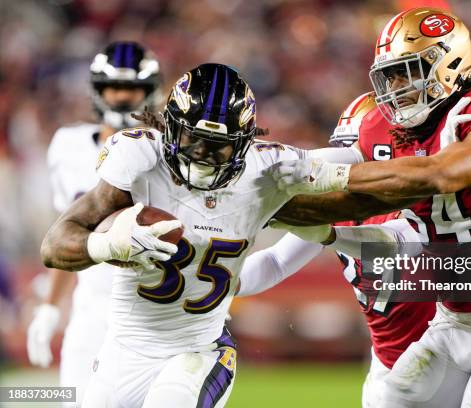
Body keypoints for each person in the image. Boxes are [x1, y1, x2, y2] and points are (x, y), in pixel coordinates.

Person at [270, 7, 471, 407]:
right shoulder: (389, 133)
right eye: (389, 76)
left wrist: (326, 178)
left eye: (406, 72)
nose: (395, 87)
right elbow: (349, 193)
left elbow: (441, 174)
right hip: (451, 323)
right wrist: (260, 200)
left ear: (448, 64)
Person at [39, 62, 363, 408]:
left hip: (197, 352)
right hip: (123, 350)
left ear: (242, 145)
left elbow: (357, 164)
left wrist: (336, 224)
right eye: (193, 139)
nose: (202, 155)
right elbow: (54, 246)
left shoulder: (263, 172)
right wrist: (108, 245)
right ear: (171, 127)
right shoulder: (141, 159)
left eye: (218, 145)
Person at [237, 92, 471, 408]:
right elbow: (276, 261)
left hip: (455, 360)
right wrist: (217, 282)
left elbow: (396, 244)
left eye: (361, 153)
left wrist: (327, 234)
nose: (352, 163)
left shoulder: (427, 202)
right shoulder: (339, 209)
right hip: (387, 364)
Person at [27, 41, 161, 407]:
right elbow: (63, 235)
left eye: (131, 88)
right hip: (91, 308)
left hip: (150, 308)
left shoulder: (164, 152)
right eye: (113, 87)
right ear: (97, 91)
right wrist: (51, 306)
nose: (121, 97)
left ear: (149, 91)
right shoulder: (67, 146)